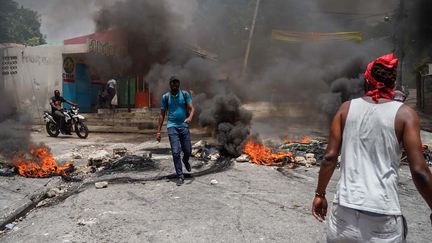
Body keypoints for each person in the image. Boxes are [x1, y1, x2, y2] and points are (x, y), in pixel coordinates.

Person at [312, 53, 432, 242]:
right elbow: (419, 171)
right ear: (392, 84)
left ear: (367, 80)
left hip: (344, 213)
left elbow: (329, 157)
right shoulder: (405, 115)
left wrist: (320, 194)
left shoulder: (345, 109)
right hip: (382, 215)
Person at [156, 76, 195, 186]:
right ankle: (180, 176)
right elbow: (162, 114)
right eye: (172, 83)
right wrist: (158, 131)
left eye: (176, 82)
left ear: (179, 84)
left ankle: (186, 160)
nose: (174, 84)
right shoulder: (165, 97)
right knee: (175, 152)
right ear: (170, 84)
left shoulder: (185, 94)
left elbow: (192, 108)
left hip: (184, 126)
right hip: (172, 126)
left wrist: (190, 117)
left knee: (188, 150)